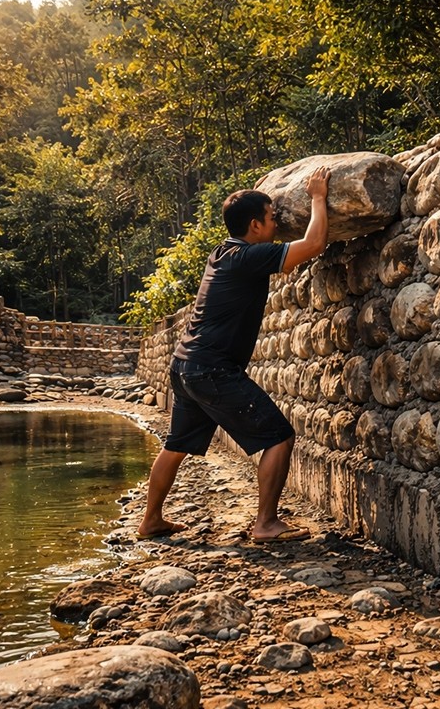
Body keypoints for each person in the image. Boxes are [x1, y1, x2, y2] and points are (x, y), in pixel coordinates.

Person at [137, 166, 331, 543]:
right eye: (273, 218)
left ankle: (151, 521)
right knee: (278, 436)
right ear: (255, 226)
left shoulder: (222, 253)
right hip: (212, 370)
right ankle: (266, 524)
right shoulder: (248, 258)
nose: (277, 222)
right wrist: (318, 197)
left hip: (186, 365)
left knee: (176, 445)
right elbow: (314, 245)